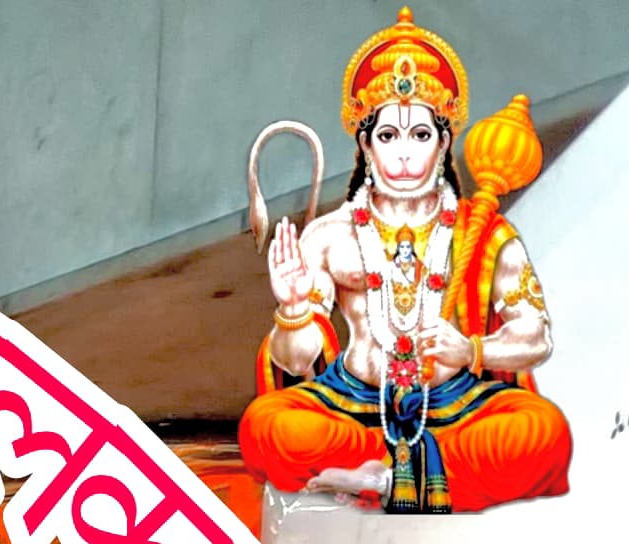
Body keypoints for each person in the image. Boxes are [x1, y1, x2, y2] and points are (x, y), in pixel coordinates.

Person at [239, 10, 569, 513]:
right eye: (388, 136)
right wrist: (291, 309)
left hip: (456, 406)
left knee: (541, 434)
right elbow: (295, 360)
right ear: (366, 146)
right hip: (353, 405)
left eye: (420, 135)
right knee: (269, 428)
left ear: (443, 144)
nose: (405, 155)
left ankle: (385, 479)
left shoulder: (486, 236)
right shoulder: (329, 236)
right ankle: (396, 475)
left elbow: (535, 338)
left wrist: (472, 353)